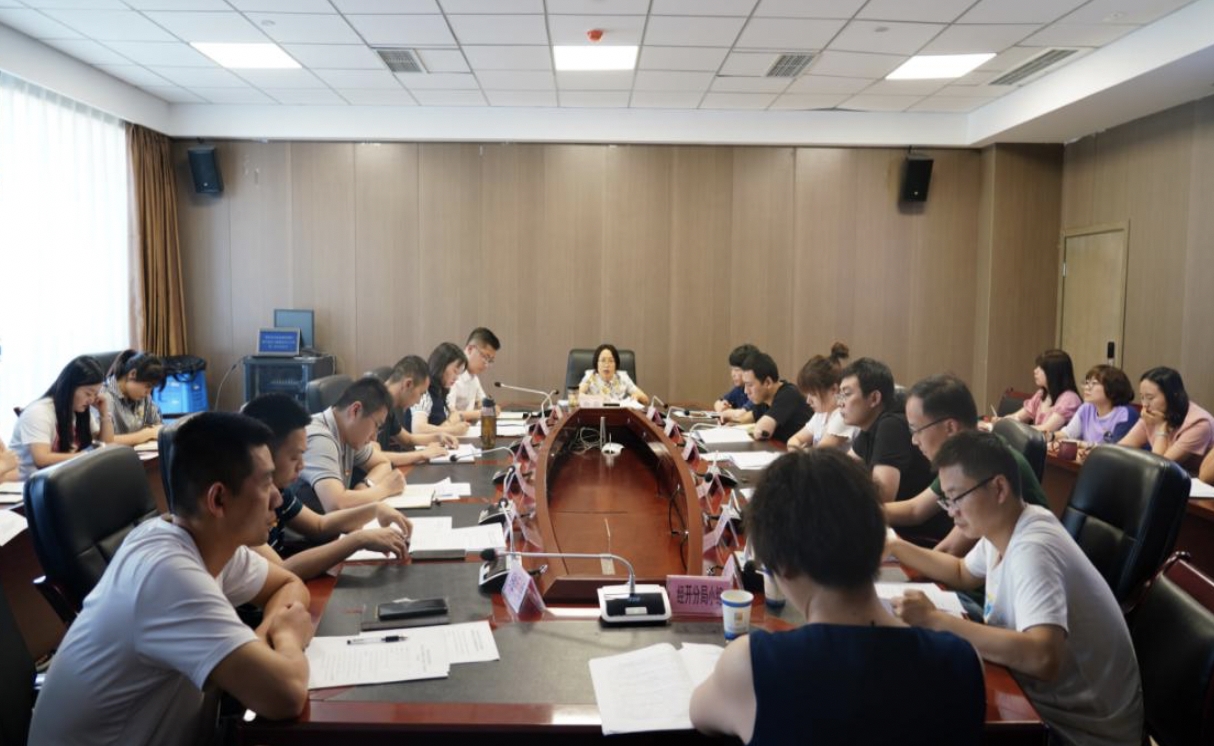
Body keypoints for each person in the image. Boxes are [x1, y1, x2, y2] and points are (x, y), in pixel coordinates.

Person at [29, 412, 313, 745]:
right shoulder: (168, 574)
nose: (278, 497)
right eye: (265, 484)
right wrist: (286, 637)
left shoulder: (209, 542)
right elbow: (286, 696)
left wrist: (259, 642)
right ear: (218, 499)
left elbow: (288, 584)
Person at [689, 448, 985, 745]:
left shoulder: (750, 665)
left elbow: (699, 713)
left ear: (783, 566)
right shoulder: (963, 661)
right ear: (879, 543)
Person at [887, 430, 1144, 746]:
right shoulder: (1009, 525)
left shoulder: (1033, 549)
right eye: (947, 500)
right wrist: (894, 546)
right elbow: (961, 572)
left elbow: (1042, 657)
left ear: (999, 488)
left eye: (956, 498)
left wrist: (935, 620)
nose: (951, 511)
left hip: (1082, 732)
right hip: (1045, 702)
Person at [242, 394, 411, 577]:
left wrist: (375, 509)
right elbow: (283, 571)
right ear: (264, 454)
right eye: (294, 457)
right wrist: (359, 539)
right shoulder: (242, 508)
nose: (302, 465)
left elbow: (319, 524)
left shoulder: (278, 491)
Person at [886, 374, 1051, 554]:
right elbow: (915, 510)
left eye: (916, 430)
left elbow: (949, 550)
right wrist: (867, 510)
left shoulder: (984, 466)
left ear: (950, 427)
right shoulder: (962, 458)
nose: (914, 440)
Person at [298, 376, 406, 513]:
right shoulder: (321, 438)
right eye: (376, 425)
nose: (374, 436)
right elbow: (336, 505)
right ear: (355, 410)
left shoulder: (348, 434)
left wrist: (364, 486)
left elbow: (383, 463)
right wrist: (385, 489)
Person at [837, 358, 933, 507]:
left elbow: (881, 497)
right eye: (840, 395)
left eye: (847, 394)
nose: (840, 403)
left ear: (874, 398)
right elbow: (842, 468)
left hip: (913, 521)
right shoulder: (870, 426)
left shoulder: (891, 426)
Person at [9, 355, 114, 480]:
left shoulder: (78, 410)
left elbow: (106, 446)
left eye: (95, 394)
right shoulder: (39, 412)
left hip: (60, 481)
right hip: (26, 485)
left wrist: (104, 414)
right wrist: (86, 455)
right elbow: (42, 459)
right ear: (69, 387)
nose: (91, 399)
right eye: (88, 393)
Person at [1119, 366, 1214, 472]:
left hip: (1194, 478)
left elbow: (1159, 466)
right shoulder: (1153, 413)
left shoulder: (1199, 423)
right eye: (1142, 397)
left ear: (1173, 396)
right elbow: (1120, 449)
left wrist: (1160, 426)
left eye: (1150, 398)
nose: (1145, 404)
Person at [379, 355, 458, 466]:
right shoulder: (373, 404)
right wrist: (422, 454)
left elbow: (408, 440)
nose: (418, 401)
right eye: (421, 393)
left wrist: (438, 437)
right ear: (408, 384)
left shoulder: (388, 405)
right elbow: (373, 456)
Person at [786, 342, 857, 451]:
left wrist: (801, 451)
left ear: (834, 389)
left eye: (813, 394)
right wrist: (800, 451)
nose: (808, 401)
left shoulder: (844, 413)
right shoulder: (822, 412)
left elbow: (818, 454)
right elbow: (794, 440)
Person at [1052, 364, 1138, 449]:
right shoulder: (1086, 408)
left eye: (1094, 383)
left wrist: (1080, 444)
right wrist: (1050, 436)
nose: (1086, 387)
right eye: (1086, 383)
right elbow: (1067, 434)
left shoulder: (1125, 414)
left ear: (1112, 388)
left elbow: (1114, 449)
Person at [740, 352, 811, 442]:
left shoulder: (789, 394)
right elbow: (748, 417)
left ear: (768, 382)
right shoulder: (764, 398)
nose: (746, 391)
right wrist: (728, 419)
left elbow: (762, 431)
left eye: (750, 385)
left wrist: (754, 428)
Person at [100, 349, 165, 446]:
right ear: (132, 374)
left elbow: (158, 427)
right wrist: (146, 434)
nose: (148, 392)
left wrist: (152, 432)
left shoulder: (144, 397)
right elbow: (104, 442)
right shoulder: (104, 397)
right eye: (147, 386)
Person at [1006, 349, 1081, 434]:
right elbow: (1018, 416)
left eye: (1041, 368)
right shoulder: (1041, 394)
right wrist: (1000, 421)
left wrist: (1014, 426)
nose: (1035, 371)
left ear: (1054, 372)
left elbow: (1046, 429)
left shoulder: (1070, 398)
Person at [410, 342, 472, 438]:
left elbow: (450, 417)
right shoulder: (423, 390)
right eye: (455, 371)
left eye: (459, 374)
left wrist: (452, 420)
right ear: (441, 365)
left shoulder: (440, 390)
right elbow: (418, 429)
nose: (456, 378)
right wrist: (453, 430)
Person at [447, 328, 501, 422]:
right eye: (486, 357)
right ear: (470, 349)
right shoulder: (452, 374)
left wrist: (492, 407)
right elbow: (449, 413)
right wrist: (483, 412)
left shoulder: (473, 377)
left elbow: (483, 403)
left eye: (490, 361)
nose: (486, 365)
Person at [578, 343, 649, 405]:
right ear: (597, 363)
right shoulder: (590, 376)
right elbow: (577, 398)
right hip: (595, 414)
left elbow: (646, 400)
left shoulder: (622, 377)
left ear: (616, 364)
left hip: (618, 415)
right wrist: (582, 393)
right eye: (603, 360)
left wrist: (637, 396)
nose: (606, 365)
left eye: (611, 361)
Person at [712, 343, 759, 424]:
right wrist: (722, 407)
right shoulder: (739, 389)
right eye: (732, 369)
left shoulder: (758, 392)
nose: (733, 374)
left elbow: (742, 414)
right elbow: (718, 402)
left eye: (737, 370)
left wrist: (728, 412)